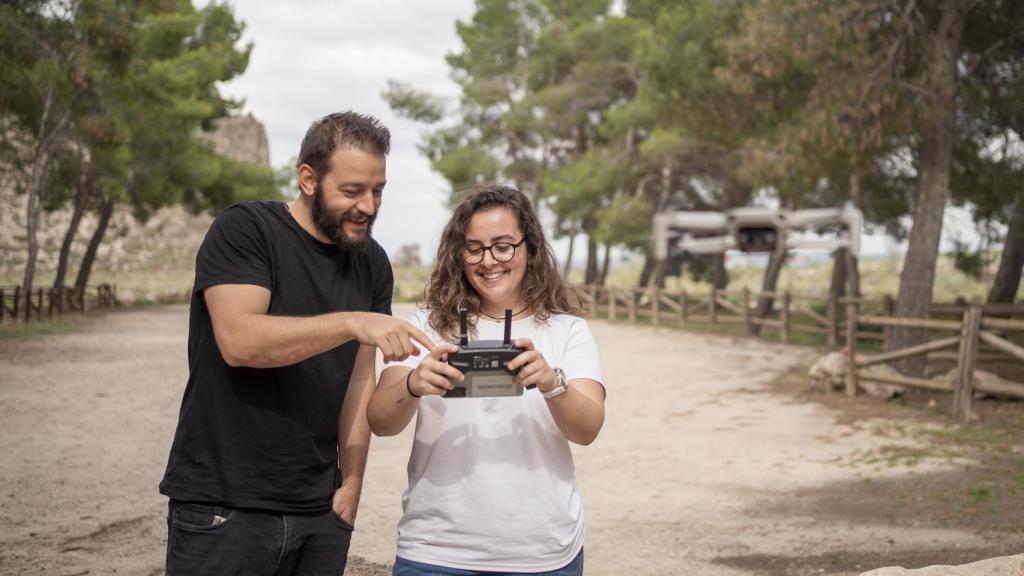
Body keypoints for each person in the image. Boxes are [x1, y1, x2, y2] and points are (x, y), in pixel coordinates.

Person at [159, 111, 433, 576]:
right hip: (224, 506)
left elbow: (359, 383)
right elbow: (240, 342)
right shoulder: (246, 229)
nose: (368, 205)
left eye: (378, 190)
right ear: (308, 178)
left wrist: (352, 485)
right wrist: (351, 323)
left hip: (321, 511)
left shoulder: (372, 263)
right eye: (352, 191)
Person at [367, 183, 606, 576]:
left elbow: (587, 429)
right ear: (457, 254)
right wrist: (413, 385)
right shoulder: (425, 325)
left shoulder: (568, 330)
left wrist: (552, 382)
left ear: (528, 245)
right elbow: (380, 421)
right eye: (473, 247)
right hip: (435, 551)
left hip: (543, 553)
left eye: (503, 245)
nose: (489, 260)